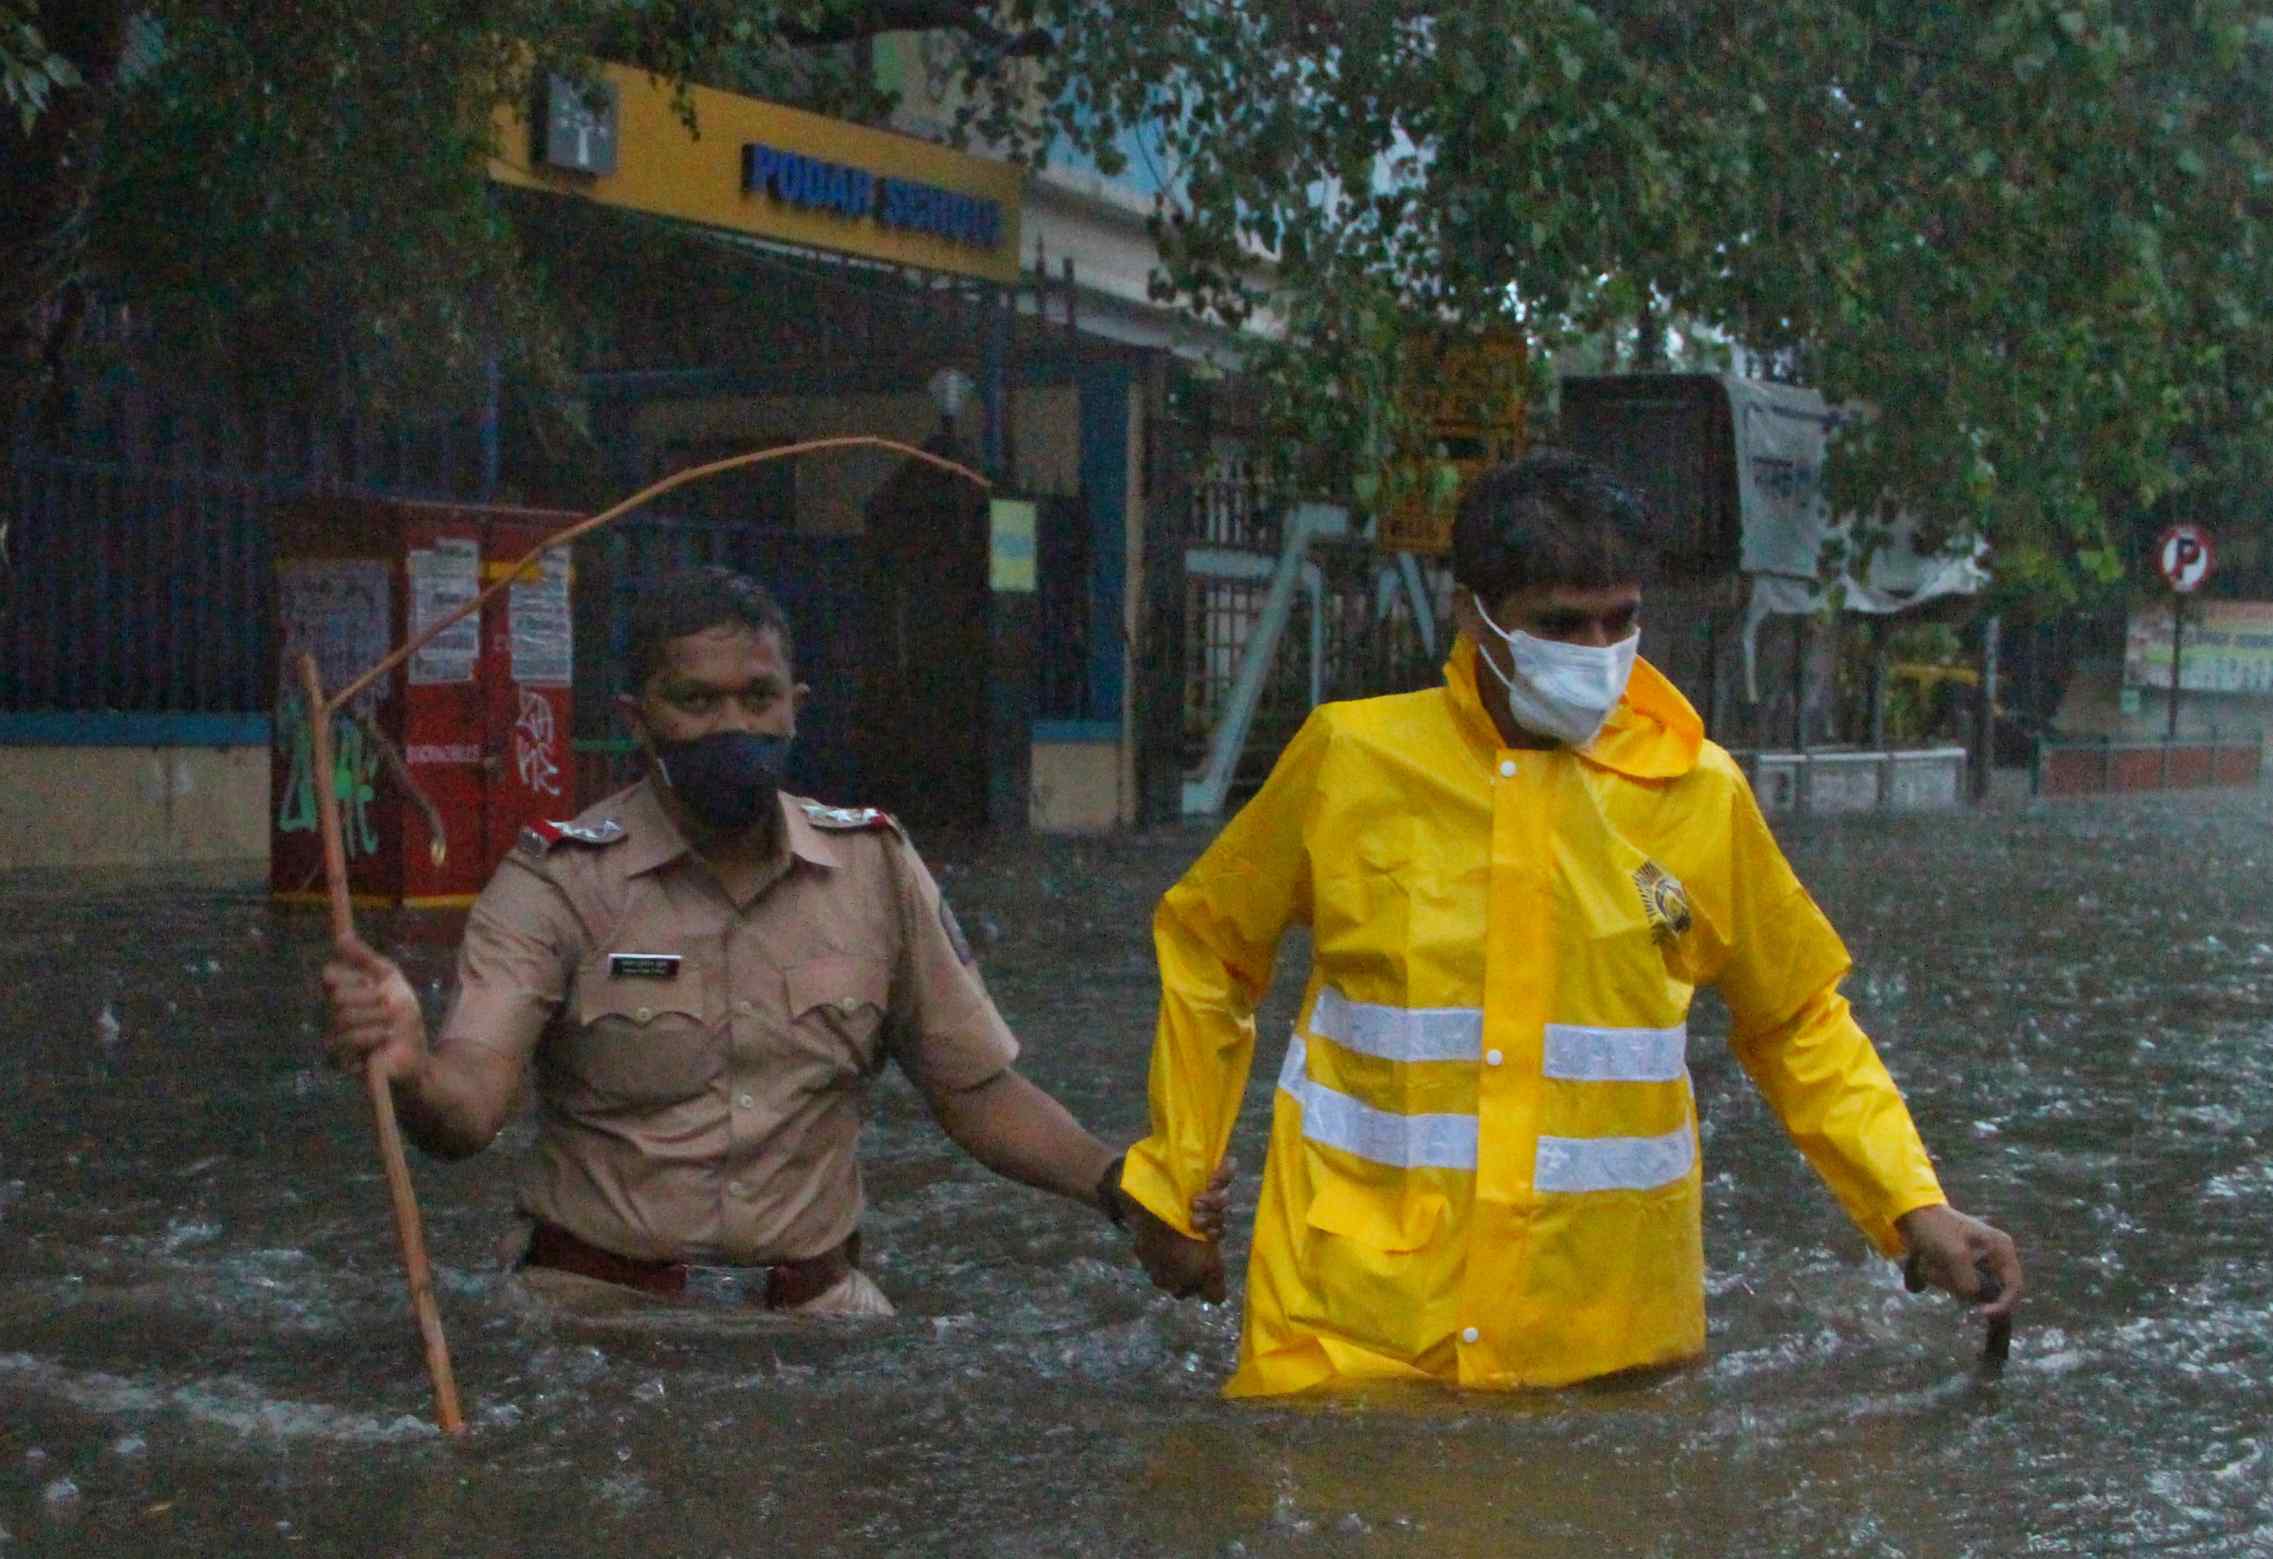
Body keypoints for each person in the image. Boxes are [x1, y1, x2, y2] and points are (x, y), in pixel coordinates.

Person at [1114, 448, 2024, 1396]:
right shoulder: (1350, 762)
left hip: (1604, 1333)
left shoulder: (1697, 795)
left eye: (1619, 620)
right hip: (1351, 1322)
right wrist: (1175, 1178)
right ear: (1473, 613)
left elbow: (1795, 1020)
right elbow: (1210, 945)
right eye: (1560, 623)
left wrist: (1912, 1206)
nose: (1596, 651)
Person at [321, 566, 1158, 1315]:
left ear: (796, 707)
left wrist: (1120, 1184)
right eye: (696, 701)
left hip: (818, 1319)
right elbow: (470, 1104)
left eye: (757, 699)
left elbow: (974, 1090)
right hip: (594, 1313)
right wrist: (412, 1069)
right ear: (637, 720)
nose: (732, 725)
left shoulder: (875, 867)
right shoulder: (557, 880)